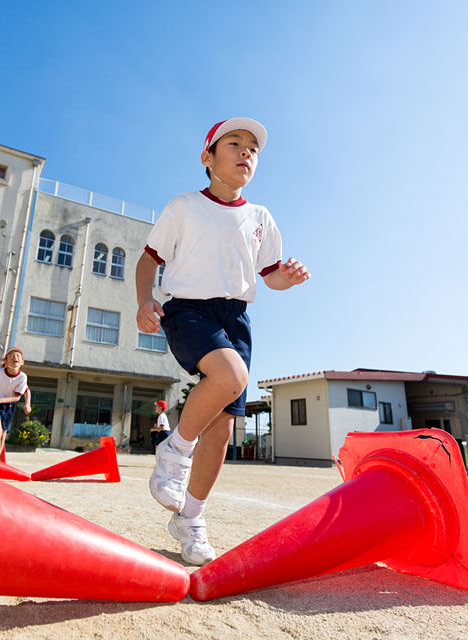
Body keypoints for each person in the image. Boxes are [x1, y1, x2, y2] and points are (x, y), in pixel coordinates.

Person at [135, 117, 310, 565]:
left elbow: (270, 277)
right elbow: (149, 259)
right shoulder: (185, 205)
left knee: (222, 430)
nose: (246, 152)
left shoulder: (260, 218)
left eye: (253, 148)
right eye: (234, 143)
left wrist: (287, 278)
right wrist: (144, 300)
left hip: (236, 319)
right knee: (231, 375)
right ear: (207, 157)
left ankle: (190, 520)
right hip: (189, 310)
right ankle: (174, 451)